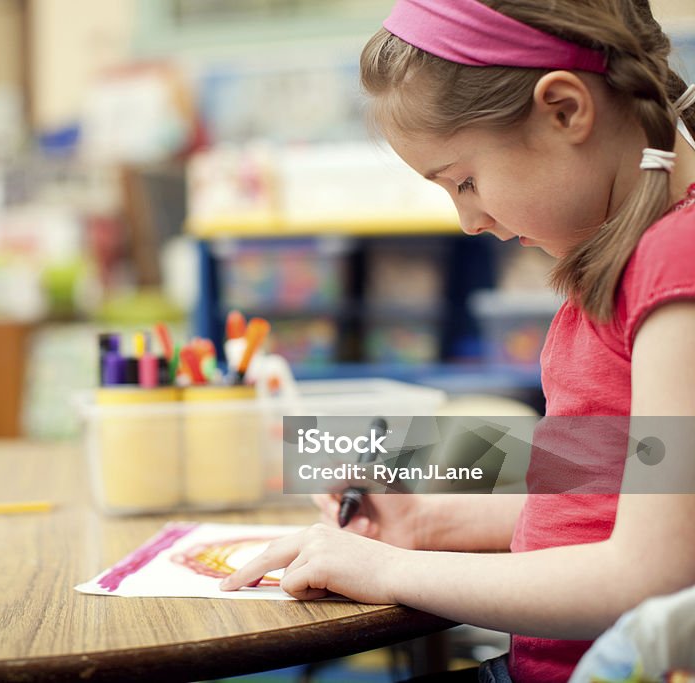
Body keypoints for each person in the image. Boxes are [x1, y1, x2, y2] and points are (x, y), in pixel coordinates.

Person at [220, 1, 695, 681]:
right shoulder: (630, 263)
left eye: (464, 180)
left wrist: (391, 568)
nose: (468, 219)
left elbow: (649, 574)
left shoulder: (676, 267)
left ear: (565, 109)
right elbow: (595, 492)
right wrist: (429, 522)